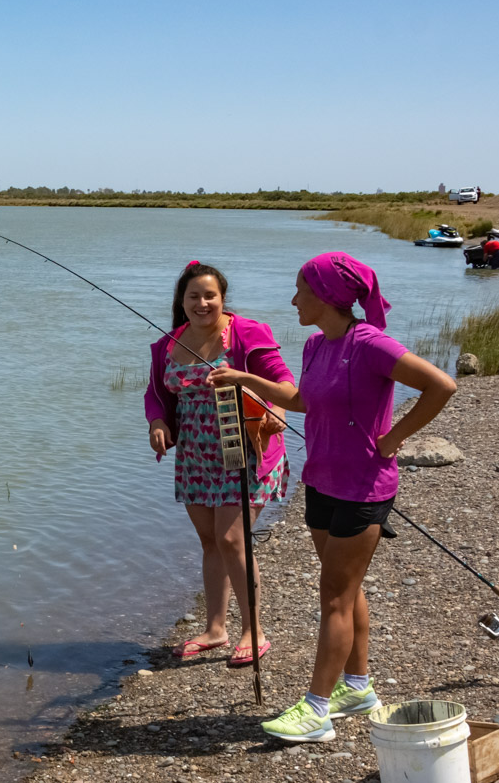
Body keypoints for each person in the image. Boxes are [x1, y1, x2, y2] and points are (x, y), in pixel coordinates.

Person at [209, 252, 455, 742]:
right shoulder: (316, 344)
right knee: (346, 588)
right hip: (320, 481)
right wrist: (244, 380)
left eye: (300, 290)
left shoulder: (370, 344)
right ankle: (357, 688)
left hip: (363, 488)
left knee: (335, 597)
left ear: (326, 296)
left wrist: (393, 438)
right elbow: (301, 401)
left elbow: (440, 385)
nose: (293, 298)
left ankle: (317, 709)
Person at [144, 261, 294, 668]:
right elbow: (157, 395)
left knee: (232, 539)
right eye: (193, 296)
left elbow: (284, 384)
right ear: (182, 301)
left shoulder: (247, 333)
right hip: (195, 456)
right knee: (210, 540)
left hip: (245, 450)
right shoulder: (168, 344)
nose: (202, 303)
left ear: (222, 299)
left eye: (210, 295)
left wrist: (276, 410)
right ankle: (215, 628)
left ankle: (253, 631)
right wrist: (157, 421)